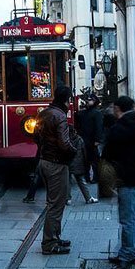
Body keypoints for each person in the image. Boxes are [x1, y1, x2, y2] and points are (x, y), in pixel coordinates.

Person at [102, 96, 135, 269]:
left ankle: (126, 255)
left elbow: (108, 151)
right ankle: (130, 251)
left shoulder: (123, 127)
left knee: (127, 218)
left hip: (127, 177)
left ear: (117, 108)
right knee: (132, 217)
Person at [35, 86, 77, 255]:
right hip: (57, 164)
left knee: (54, 202)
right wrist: (74, 151)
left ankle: (55, 237)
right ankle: (49, 242)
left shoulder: (44, 113)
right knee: (56, 204)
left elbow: (35, 136)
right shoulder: (60, 116)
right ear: (66, 99)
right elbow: (64, 143)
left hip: (44, 161)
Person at [76, 94, 104, 183]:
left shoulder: (97, 113)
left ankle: (95, 177)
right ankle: (87, 177)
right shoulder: (83, 113)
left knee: (94, 161)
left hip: (92, 140)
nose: (88, 101)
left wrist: (97, 140)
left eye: (90, 100)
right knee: (86, 160)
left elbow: (99, 127)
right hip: (85, 139)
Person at [67, 126, 98, 205]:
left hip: (68, 163)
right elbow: (84, 153)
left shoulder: (65, 140)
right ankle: (88, 198)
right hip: (78, 164)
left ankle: (68, 199)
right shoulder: (79, 139)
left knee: (68, 181)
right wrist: (85, 164)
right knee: (81, 181)